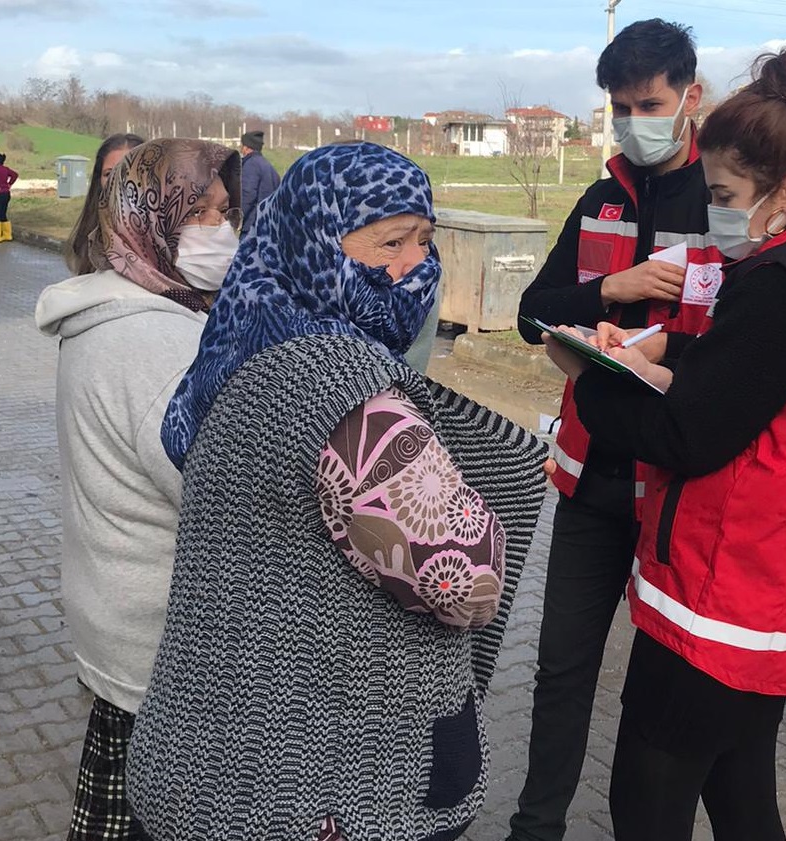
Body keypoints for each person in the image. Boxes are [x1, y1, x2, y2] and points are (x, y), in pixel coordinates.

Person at [126, 142, 547, 841]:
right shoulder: (342, 387)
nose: (416, 265)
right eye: (389, 242)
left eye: (425, 239)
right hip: (329, 785)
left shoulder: (244, 337)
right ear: (317, 241)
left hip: (212, 755)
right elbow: (468, 580)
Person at [542, 41, 786, 840]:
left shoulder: (778, 282)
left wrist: (592, 377)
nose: (716, 214)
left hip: (723, 594)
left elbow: (687, 435)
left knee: (647, 799)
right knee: (740, 791)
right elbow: (762, 377)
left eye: (726, 195)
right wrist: (670, 352)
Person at [510, 19, 719, 840]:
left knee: (660, 687)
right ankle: (535, 826)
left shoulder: (725, 201)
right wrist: (611, 290)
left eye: (649, 105)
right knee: (561, 667)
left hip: (677, 488)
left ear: (689, 96)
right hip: (590, 477)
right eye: (619, 108)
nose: (633, 123)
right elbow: (532, 311)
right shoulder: (599, 198)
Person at [34, 138, 241, 841]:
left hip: (120, 621)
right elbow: (221, 497)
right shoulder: (156, 343)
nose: (221, 231)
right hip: (162, 649)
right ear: (148, 216)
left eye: (225, 212)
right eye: (200, 213)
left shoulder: (114, 310)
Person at [64, 133, 145, 274]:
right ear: (99, 179)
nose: (118, 181)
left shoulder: (173, 241)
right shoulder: (87, 239)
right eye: (109, 174)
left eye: (129, 172)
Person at [239, 129, 280, 236]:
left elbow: (247, 195)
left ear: (246, 147)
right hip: (268, 223)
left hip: (252, 225)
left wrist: (237, 218)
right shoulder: (268, 166)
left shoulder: (251, 165)